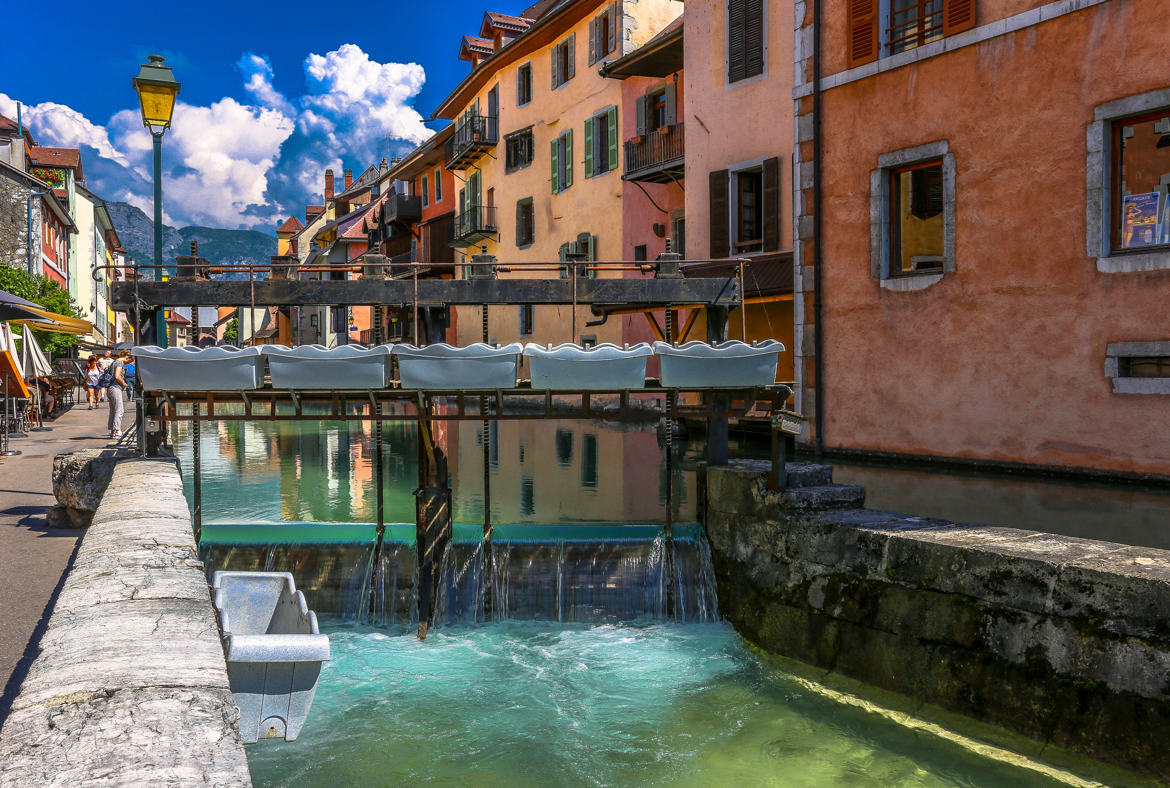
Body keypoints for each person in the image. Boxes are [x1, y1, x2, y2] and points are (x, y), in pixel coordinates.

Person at [106, 351, 127, 439]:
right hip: (115, 388)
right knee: (119, 410)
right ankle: (117, 430)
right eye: (130, 360)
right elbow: (117, 376)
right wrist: (124, 384)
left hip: (110, 388)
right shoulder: (119, 363)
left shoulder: (113, 362)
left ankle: (112, 432)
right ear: (126, 357)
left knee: (113, 410)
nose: (130, 362)